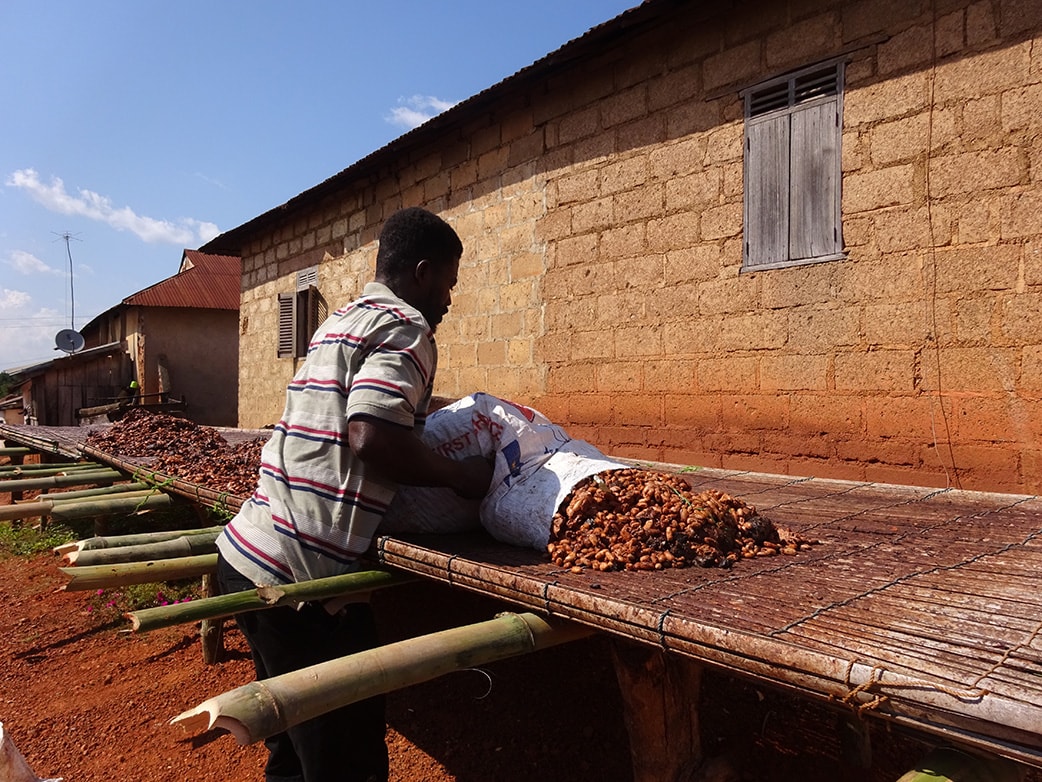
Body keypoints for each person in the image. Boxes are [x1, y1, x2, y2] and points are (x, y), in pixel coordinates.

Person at [215, 207, 493, 782]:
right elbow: (370, 437)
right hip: (299, 585)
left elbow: (361, 411)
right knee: (348, 763)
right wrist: (460, 476)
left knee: (294, 747)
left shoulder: (344, 319)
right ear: (421, 273)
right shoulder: (408, 327)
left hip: (247, 552)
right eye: (448, 283)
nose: (448, 299)